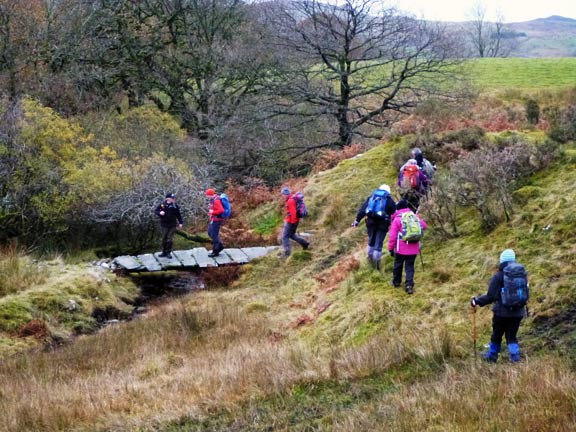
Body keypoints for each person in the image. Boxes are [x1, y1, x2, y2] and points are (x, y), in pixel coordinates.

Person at [470, 249, 528, 363]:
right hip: (518, 312)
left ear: (501, 260)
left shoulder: (498, 276)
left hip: (501, 313)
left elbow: (490, 296)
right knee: (512, 336)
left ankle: (492, 356)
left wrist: (476, 301)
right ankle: (515, 358)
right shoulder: (521, 274)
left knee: (497, 334)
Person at [351, 184, 396, 270]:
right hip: (382, 225)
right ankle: (376, 265)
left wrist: (357, 221)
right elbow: (394, 212)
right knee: (378, 244)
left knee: (371, 241)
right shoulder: (389, 200)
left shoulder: (371, 197)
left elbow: (363, 210)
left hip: (370, 223)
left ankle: (370, 260)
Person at [387, 199, 427, 294]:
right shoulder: (414, 217)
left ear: (398, 209)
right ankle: (409, 286)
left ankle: (396, 282)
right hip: (414, 248)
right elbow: (424, 226)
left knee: (398, 265)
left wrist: (390, 248)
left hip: (401, 248)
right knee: (410, 266)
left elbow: (392, 236)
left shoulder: (397, 219)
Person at [281, 186, 309, 257]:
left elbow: (293, 213)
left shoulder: (290, 201)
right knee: (292, 235)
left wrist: (293, 223)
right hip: (294, 221)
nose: (282, 196)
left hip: (291, 222)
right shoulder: (292, 197)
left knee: (285, 237)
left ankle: (287, 253)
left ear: (286, 194)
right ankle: (305, 243)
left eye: (283, 194)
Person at [155, 192, 183, 258]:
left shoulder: (175, 206)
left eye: (173, 198)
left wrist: (180, 223)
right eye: (171, 198)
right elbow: (156, 211)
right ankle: (164, 252)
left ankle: (168, 252)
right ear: (167, 198)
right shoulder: (162, 205)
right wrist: (160, 212)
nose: (173, 199)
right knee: (164, 239)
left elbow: (178, 215)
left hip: (172, 224)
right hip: (164, 224)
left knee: (169, 239)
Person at [205, 188, 225, 257]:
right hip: (213, 219)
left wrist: (212, 212)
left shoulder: (216, 201)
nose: (206, 196)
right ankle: (220, 246)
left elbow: (221, 210)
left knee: (214, 235)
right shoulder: (212, 199)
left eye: (207, 195)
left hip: (217, 220)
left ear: (210, 195)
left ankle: (215, 251)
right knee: (210, 233)